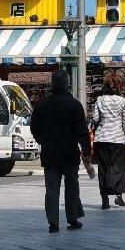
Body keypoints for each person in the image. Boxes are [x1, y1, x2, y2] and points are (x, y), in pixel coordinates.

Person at [30, 70, 92, 233]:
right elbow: (82, 131)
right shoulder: (74, 105)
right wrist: (86, 150)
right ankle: (73, 217)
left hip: (50, 152)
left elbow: (34, 127)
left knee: (51, 189)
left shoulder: (42, 104)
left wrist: (42, 140)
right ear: (67, 84)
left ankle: (53, 222)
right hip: (69, 152)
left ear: (52, 84)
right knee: (72, 187)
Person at [92, 71, 125, 210]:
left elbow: (96, 119)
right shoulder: (123, 101)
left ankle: (105, 200)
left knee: (103, 169)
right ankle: (118, 195)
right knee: (120, 169)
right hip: (118, 139)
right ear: (119, 85)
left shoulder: (100, 100)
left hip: (101, 138)